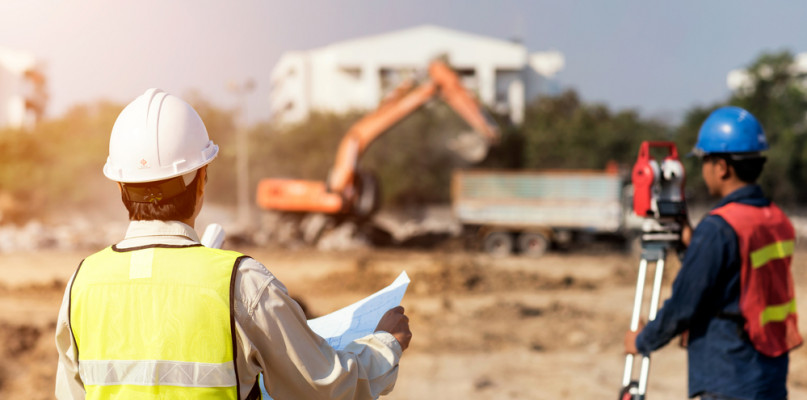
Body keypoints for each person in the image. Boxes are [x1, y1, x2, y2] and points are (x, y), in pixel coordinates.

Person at [54, 88, 412, 399]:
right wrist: (384, 344)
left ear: (119, 186)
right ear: (202, 180)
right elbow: (325, 390)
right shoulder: (242, 284)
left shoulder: (81, 284)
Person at [624, 106, 802, 400]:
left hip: (728, 375)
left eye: (705, 161)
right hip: (768, 373)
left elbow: (684, 303)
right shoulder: (776, 218)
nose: (703, 170)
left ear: (721, 167)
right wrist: (692, 245)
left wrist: (642, 341)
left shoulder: (720, 228)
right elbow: (737, 279)